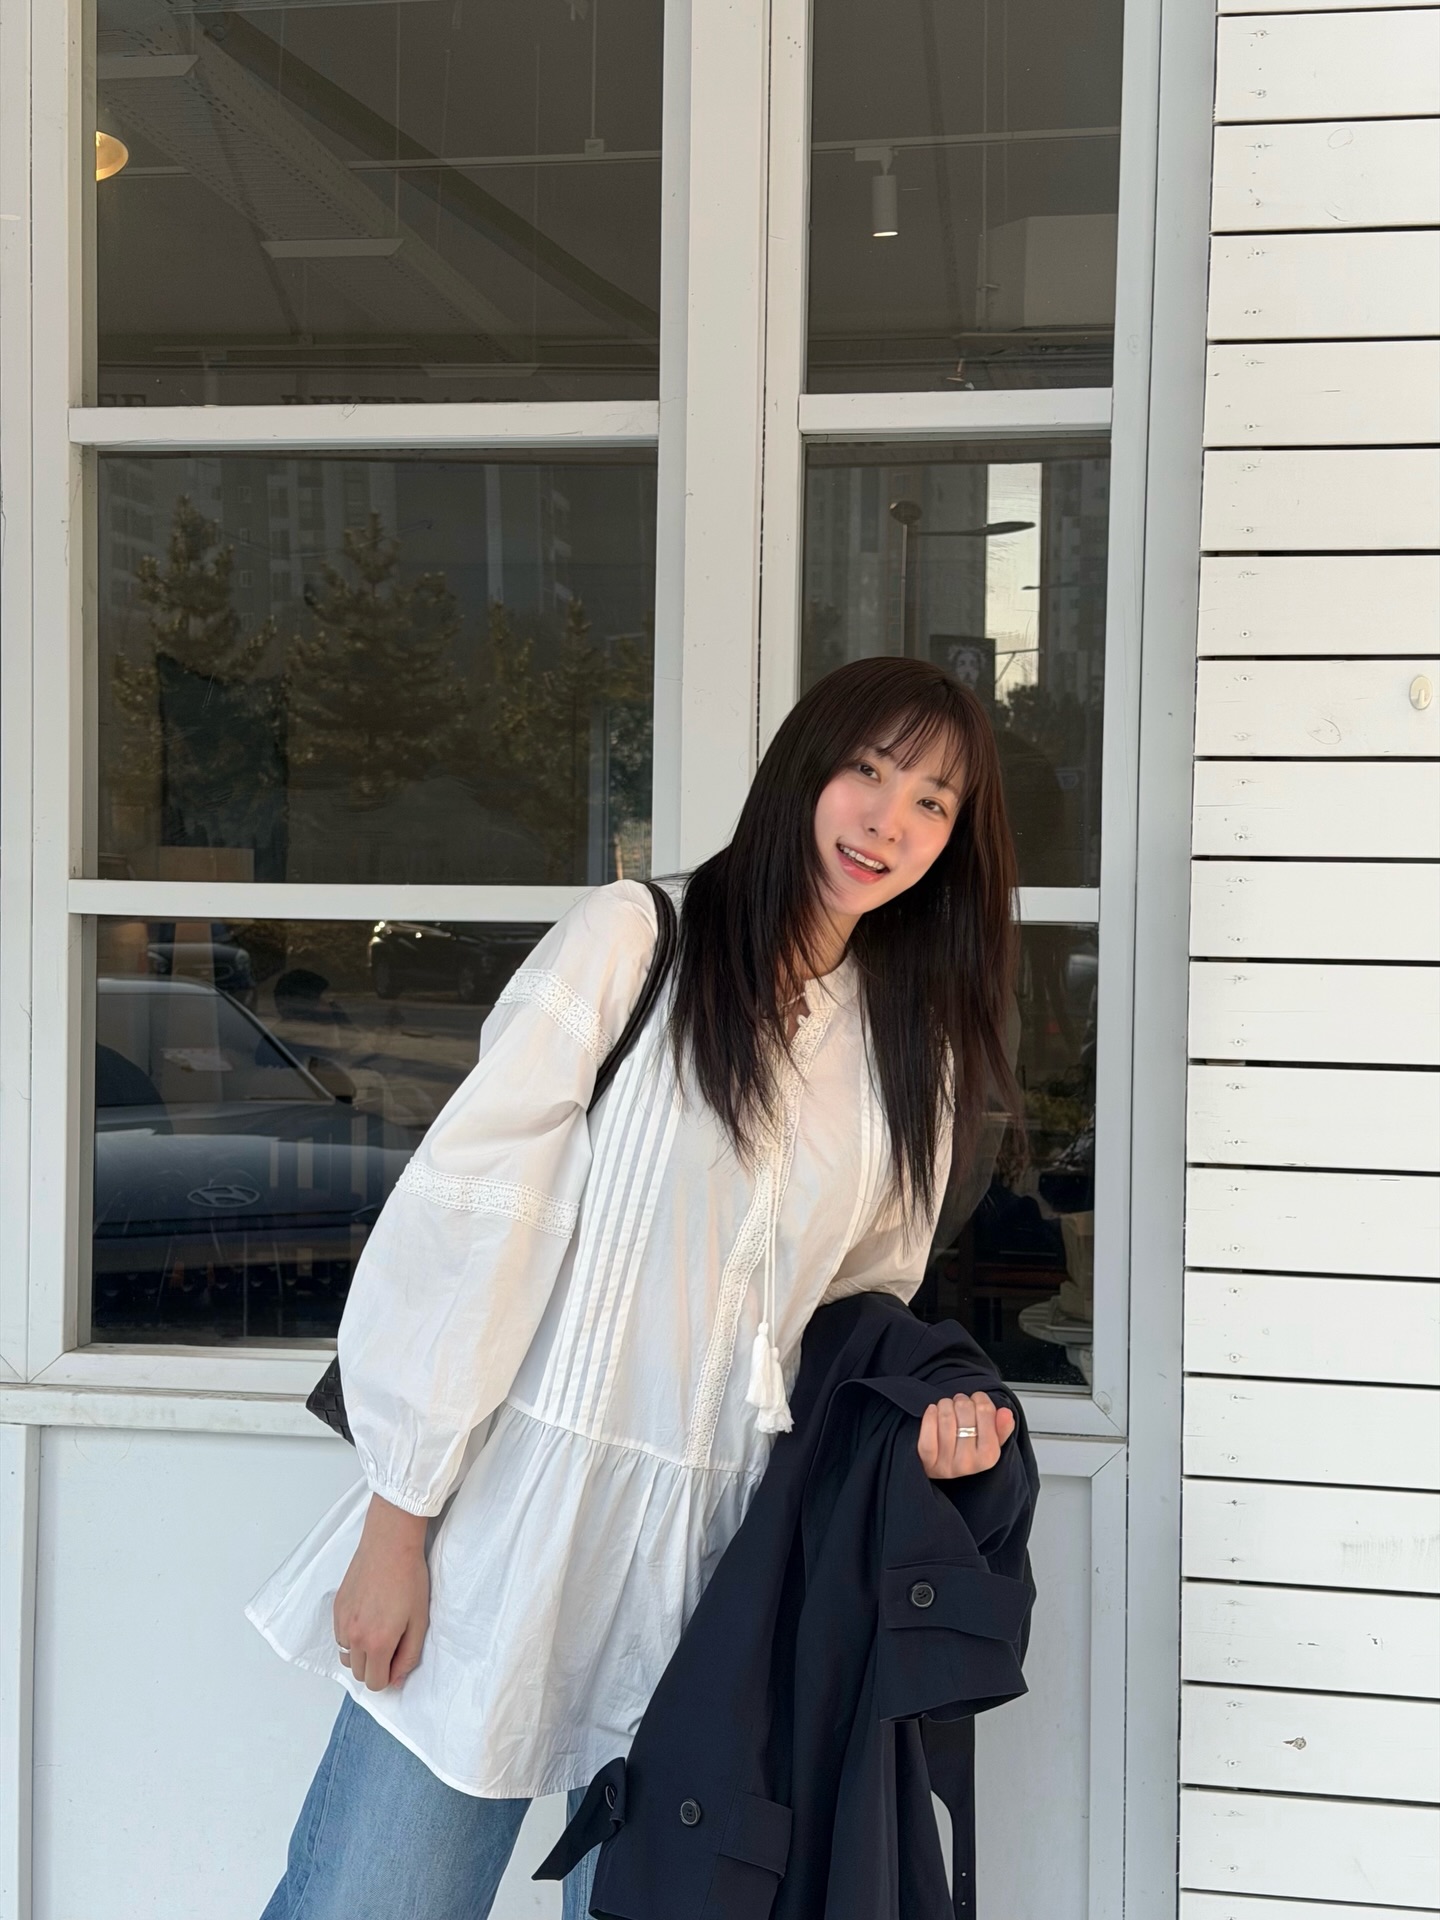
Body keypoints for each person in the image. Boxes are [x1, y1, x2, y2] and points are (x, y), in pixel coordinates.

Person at [248, 655, 1024, 1920]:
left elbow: (857, 1325)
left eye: (933, 802)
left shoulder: (909, 1054)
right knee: (366, 1902)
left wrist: (929, 1420)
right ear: (804, 770)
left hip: (713, 1586)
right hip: (502, 1536)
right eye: (869, 772)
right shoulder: (635, 940)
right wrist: (398, 1524)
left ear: (956, 841)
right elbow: (472, 1222)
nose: (889, 821)